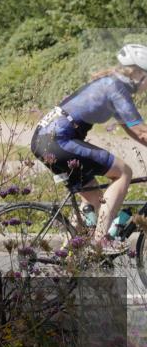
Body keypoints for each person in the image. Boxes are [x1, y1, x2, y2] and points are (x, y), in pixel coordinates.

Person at [30, 44, 147, 251]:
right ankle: (101, 241)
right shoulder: (117, 88)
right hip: (59, 140)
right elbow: (141, 131)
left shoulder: (109, 83)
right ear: (138, 74)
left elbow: (132, 129)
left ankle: (65, 263)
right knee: (123, 173)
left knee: (93, 202)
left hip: (45, 139)